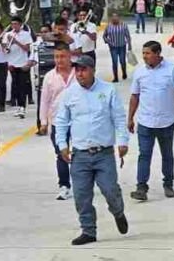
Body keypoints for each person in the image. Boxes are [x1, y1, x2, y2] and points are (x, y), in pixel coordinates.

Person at [54, 55, 130, 246]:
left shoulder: (108, 90)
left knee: (109, 189)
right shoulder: (69, 94)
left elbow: (119, 118)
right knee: (81, 195)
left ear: (93, 70)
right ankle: (88, 230)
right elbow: (61, 121)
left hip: (104, 153)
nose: (80, 73)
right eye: (77, 70)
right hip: (80, 155)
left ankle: (118, 212)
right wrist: (62, 145)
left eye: (83, 69)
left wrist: (122, 142)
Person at [127, 41, 174, 202]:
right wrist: (130, 118)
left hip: (166, 122)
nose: (144, 57)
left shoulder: (172, 69)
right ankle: (141, 187)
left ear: (158, 54)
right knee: (144, 155)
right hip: (145, 122)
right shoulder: (139, 72)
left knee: (167, 154)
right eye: (143, 53)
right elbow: (134, 96)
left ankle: (168, 184)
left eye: (148, 53)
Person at [39, 44, 76, 201]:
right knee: (61, 154)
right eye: (56, 57)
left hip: (78, 121)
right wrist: (43, 121)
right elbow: (45, 101)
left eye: (62, 56)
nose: (59, 60)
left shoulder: (79, 73)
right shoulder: (49, 77)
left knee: (80, 153)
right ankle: (64, 186)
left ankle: (82, 183)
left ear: (70, 56)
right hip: (57, 122)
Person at [4, 16, 35, 119]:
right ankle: (19, 107)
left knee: (22, 86)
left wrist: (16, 42)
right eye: (12, 24)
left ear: (20, 25)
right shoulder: (8, 35)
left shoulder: (26, 35)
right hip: (12, 64)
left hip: (23, 64)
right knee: (16, 86)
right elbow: (6, 50)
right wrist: (7, 47)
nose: (14, 26)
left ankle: (22, 107)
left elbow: (27, 49)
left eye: (16, 24)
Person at [103, 13, 132, 82]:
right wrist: (107, 41)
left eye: (116, 17)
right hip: (113, 47)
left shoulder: (123, 25)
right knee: (114, 62)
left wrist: (129, 45)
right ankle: (115, 77)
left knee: (122, 61)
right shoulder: (109, 26)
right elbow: (104, 36)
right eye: (113, 17)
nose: (114, 18)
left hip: (122, 46)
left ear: (119, 18)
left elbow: (127, 35)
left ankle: (124, 73)